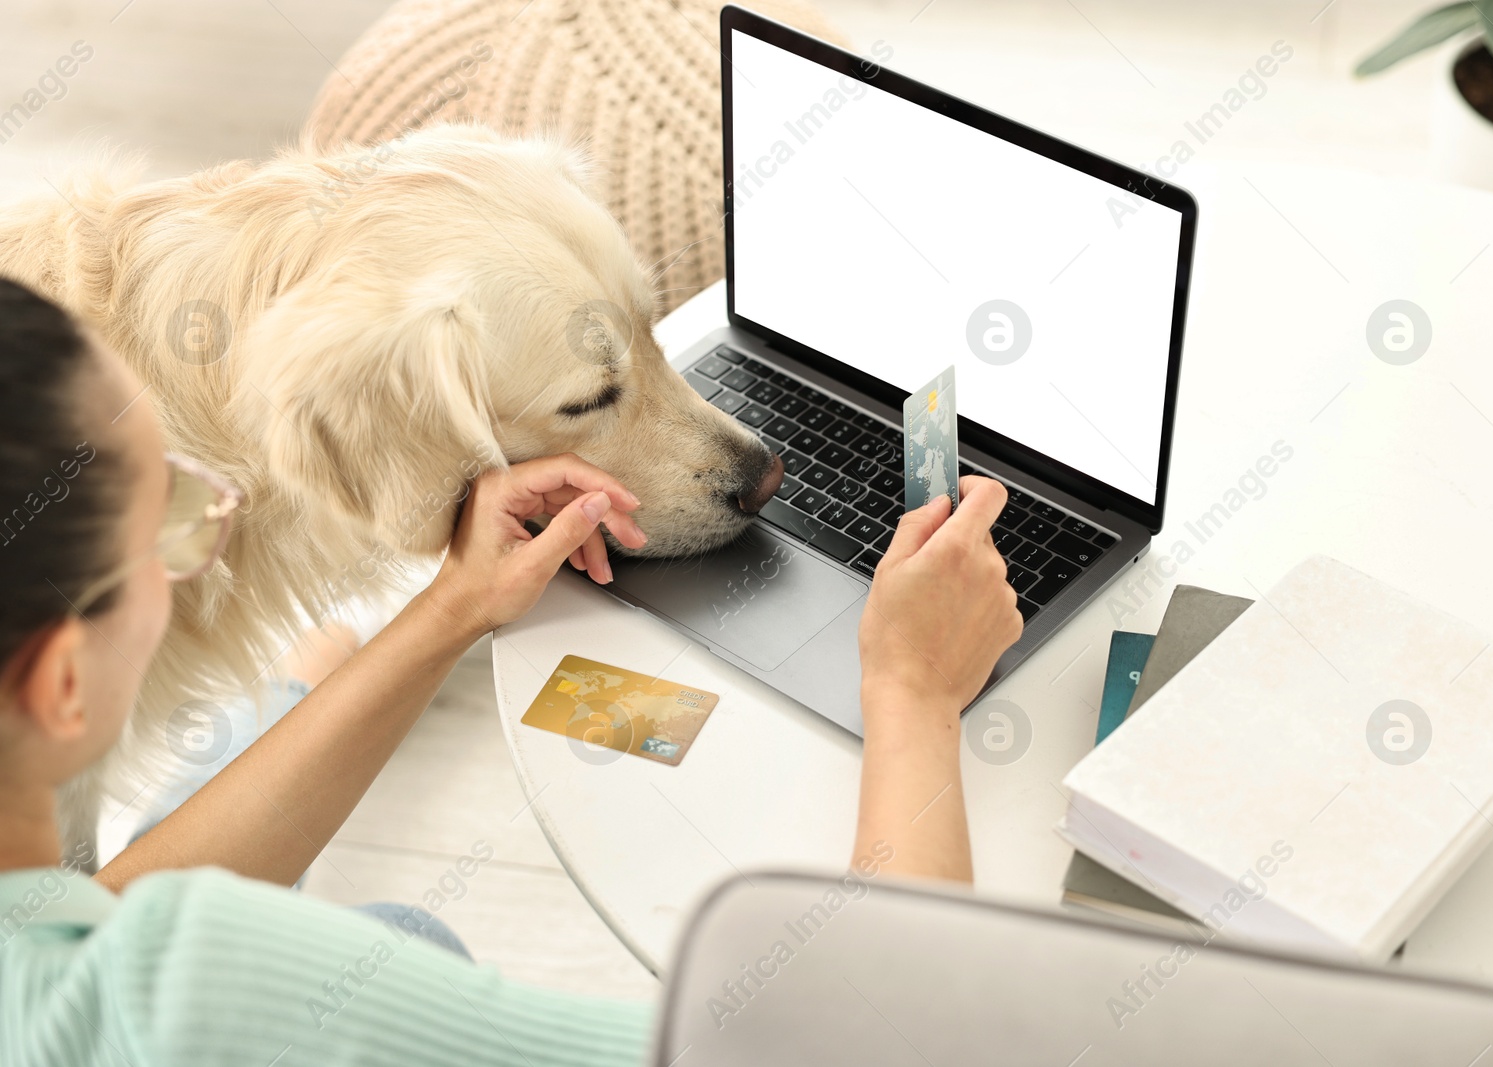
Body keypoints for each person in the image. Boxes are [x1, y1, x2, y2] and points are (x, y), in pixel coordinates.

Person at [0, 278, 1021, 1065]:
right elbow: (891, 1048)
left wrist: (453, 606)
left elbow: (89, 936)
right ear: (62, 684)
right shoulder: (195, 980)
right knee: (404, 945)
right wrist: (911, 692)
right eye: (174, 516)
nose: (211, 525)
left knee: (400, 932)